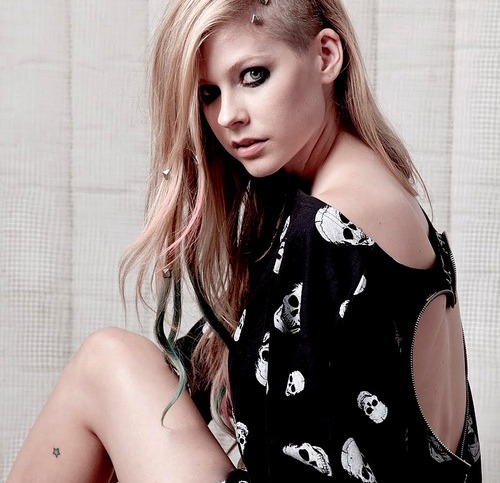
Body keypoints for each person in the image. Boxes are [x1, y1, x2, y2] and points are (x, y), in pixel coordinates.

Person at [6, 0, 482, 482]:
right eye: (209, 93)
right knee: (120, 365)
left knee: (105, 361)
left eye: (254, 76)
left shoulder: (329, 224)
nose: (228, 116)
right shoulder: (374, 192)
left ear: (326, 56)